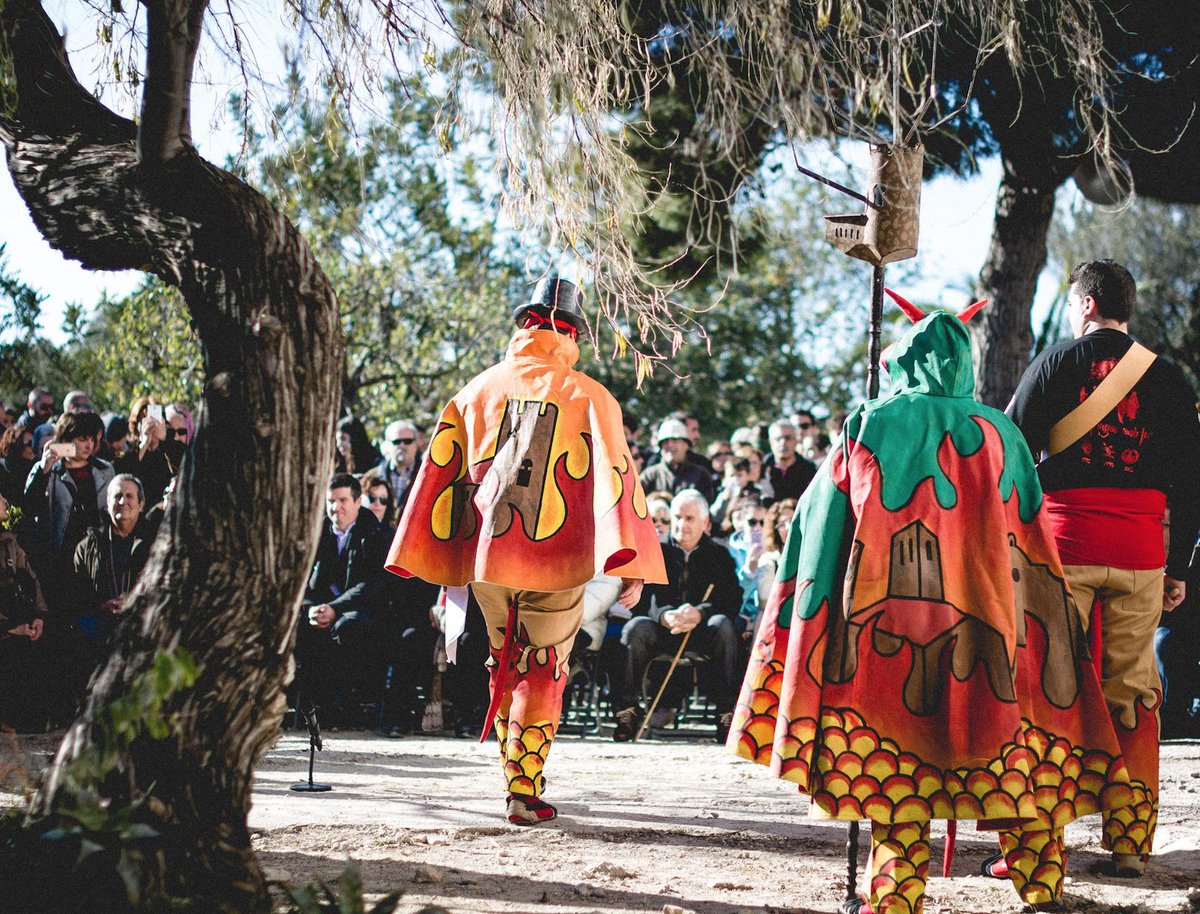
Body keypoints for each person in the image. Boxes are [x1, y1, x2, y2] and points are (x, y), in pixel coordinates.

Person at [729, 301, 1134, 913]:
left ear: (906, 362)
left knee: (898, 764)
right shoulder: (1002, 434)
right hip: (993, 625)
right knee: (1009, 753)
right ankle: (1043, 885)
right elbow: (1030, 537)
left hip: (887, 629)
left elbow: (819, 518)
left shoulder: (871, 423)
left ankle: (895, 898)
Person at [385, 274, 665, 825]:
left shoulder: (476, 390)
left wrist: (449, 559)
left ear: (525, 326)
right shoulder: (591, 397)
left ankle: (514, 780)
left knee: (506, 660)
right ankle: (523, 788)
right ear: (571, 333)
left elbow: (441, 475)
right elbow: (619, 483)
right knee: (542, 667)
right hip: (556, 565)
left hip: (488, 560)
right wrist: (632, 565)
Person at [1006, 259, 1200, 878]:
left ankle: (1040, 849)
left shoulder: (1055, 363)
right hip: (1142, 552)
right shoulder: (1167, 377)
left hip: (1065, 547)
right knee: (1134, 691)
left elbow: (1011, 450)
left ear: (1086, 304)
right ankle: (1130, 842)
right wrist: (1177, 565)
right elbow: (1191, 479)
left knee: (1051, 688)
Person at [610, 488, 741, 743]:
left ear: (705, 523)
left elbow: (730, 600)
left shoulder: (719, 555)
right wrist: (664, 615)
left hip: (703, 631)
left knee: (724, 626)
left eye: (690, 519)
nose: (682, 525)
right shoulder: (657, 551)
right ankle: (626, 711)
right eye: (677, 518)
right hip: (663, 629)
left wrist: (701, 613)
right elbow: (642, 600)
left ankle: (726, 712)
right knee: (635, 628)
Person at [294, 473, 388, 727]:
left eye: (343, 500)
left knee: (348, 628)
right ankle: (306, 706)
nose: (337, 507)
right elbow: (302, 577)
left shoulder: (374, 533)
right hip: (322, 607)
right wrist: (312, 609)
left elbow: (370, 585)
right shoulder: (318, 532)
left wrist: (334, 609)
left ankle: (344, 706)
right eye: (331, 501)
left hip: (360, 610)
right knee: (297, 624)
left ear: (358, 502)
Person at [73, 474, 154, 662]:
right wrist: (102, 606)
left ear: (141, 504)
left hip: (143, 631)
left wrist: (134, 603)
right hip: (100, 635)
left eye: (129, 496)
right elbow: (77, 595)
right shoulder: (87, 547)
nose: (122, 501)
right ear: (107, 504)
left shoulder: (157, 543)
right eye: (117, 496)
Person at [639, 418, 716, 503]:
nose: (670, 445)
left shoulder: (700, 475)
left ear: (686, 445)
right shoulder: (649, 476)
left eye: (675, 440)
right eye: (665, 442)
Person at [375, 419, 423, 519]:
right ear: (387, 445)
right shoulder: (373, 477)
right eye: (396, 442)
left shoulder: (427, 475)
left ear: (416, 444)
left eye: (407, 441)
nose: (402, 446)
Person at [762, 418, 816, 502]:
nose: (783, 443)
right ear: (770, 442)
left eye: (788, 438)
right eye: (778, 439)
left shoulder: (809, 469)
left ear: (796, 441)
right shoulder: (761, 468)